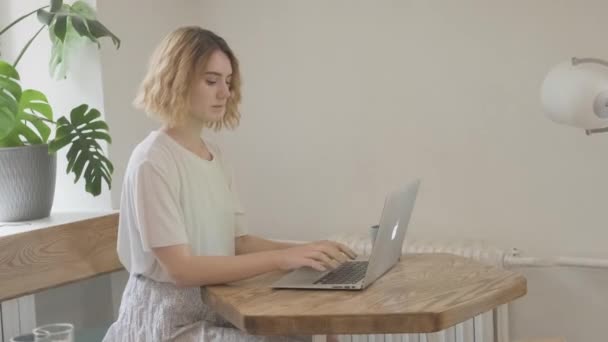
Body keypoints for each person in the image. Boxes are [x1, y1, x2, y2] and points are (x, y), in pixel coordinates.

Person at [102, 26, 356, 342]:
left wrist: (308, 250)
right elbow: (182, 270)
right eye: (211, 81)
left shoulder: (215, 157)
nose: (225, 93)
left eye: (228, 81)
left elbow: (239, 242)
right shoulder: (153, 161)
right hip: (168, 323)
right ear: (176, 81)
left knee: (317, 330)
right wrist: (282, 259)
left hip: (217, 307)